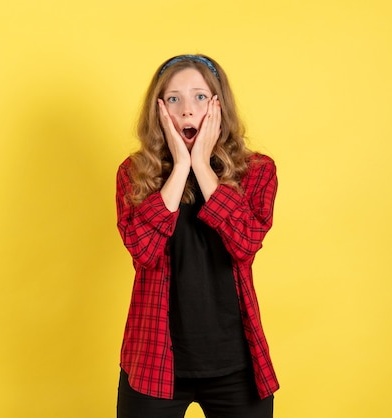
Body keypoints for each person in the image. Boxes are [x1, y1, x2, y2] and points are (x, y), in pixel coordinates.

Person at [115, 54, 279, 418]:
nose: (187, 110)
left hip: (237, 364)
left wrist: (202, 166)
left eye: (200, 97)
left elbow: (245, 245)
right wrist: (180, 170)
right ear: (158, 111)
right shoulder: (133, 174)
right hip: (154, 361)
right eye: (173, 99)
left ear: (219, 105)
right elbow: (142, 251)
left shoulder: (258, 172)